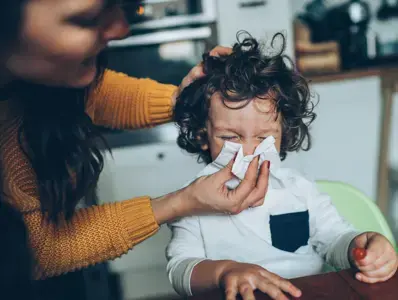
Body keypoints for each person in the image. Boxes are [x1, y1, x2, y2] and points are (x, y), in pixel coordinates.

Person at [0, 0, 270, 280]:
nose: (121, 29)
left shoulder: (44, 78)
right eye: (89, 18)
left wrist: (188, 101)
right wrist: (180, 202)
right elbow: (40, 250)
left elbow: (99, 95)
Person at [167, 33, 398, 300]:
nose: (249, 152)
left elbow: (334, 238)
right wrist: (224, 271)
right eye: (230, 138)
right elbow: (179, 269)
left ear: (283, 133)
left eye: (264, 138)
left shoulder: (299, 190)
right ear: (201, 134)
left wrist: (359, 246)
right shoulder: (191, 199)